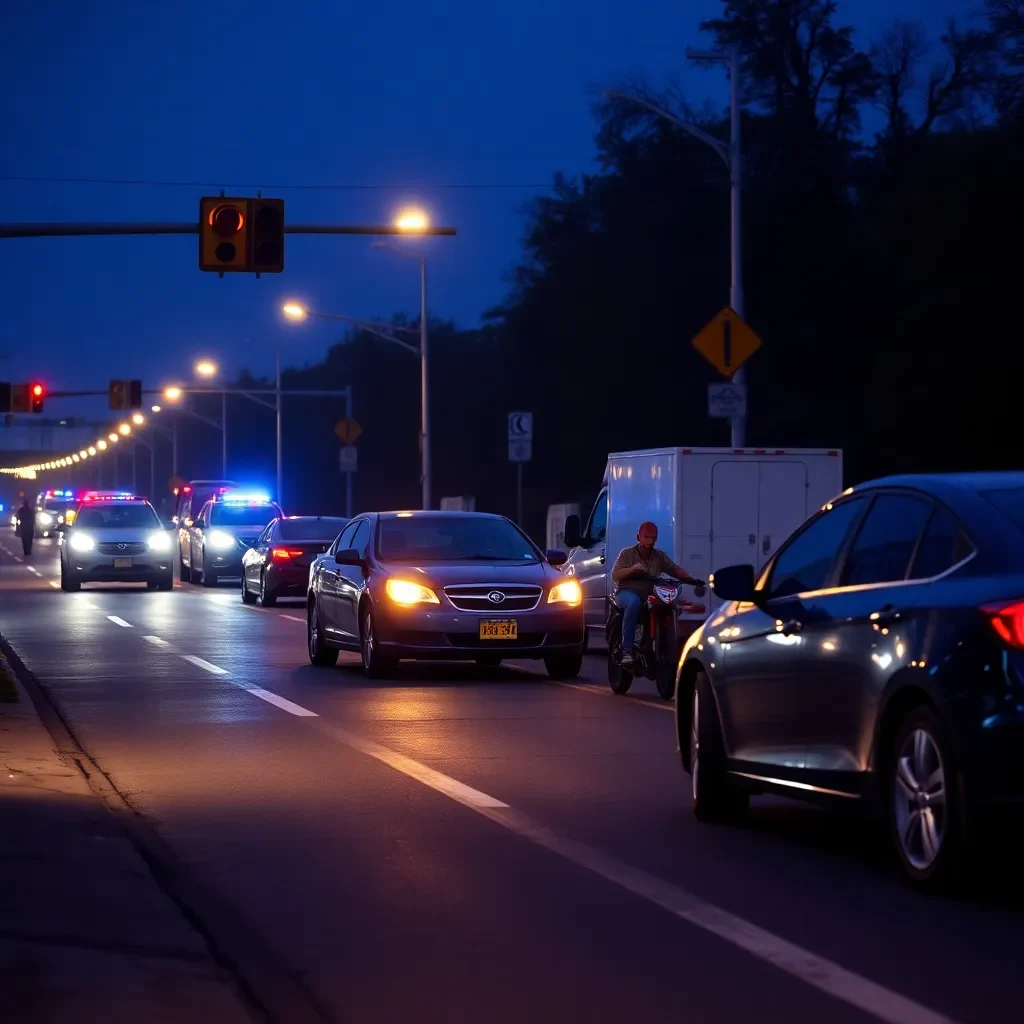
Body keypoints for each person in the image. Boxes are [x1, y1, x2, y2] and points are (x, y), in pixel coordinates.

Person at [610, 521, 691, 666]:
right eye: (646, 537)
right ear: (638, 537)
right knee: (633, 603)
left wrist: (692, 579)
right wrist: (632, 569)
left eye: (653, 538)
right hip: (626, 592)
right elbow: (615, 575)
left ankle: (662, 645)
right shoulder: (626, 554)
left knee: (668, 605)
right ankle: (627, 651)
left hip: (649, 594)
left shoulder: (659, 556)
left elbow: (674, 569)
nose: (650, 541)